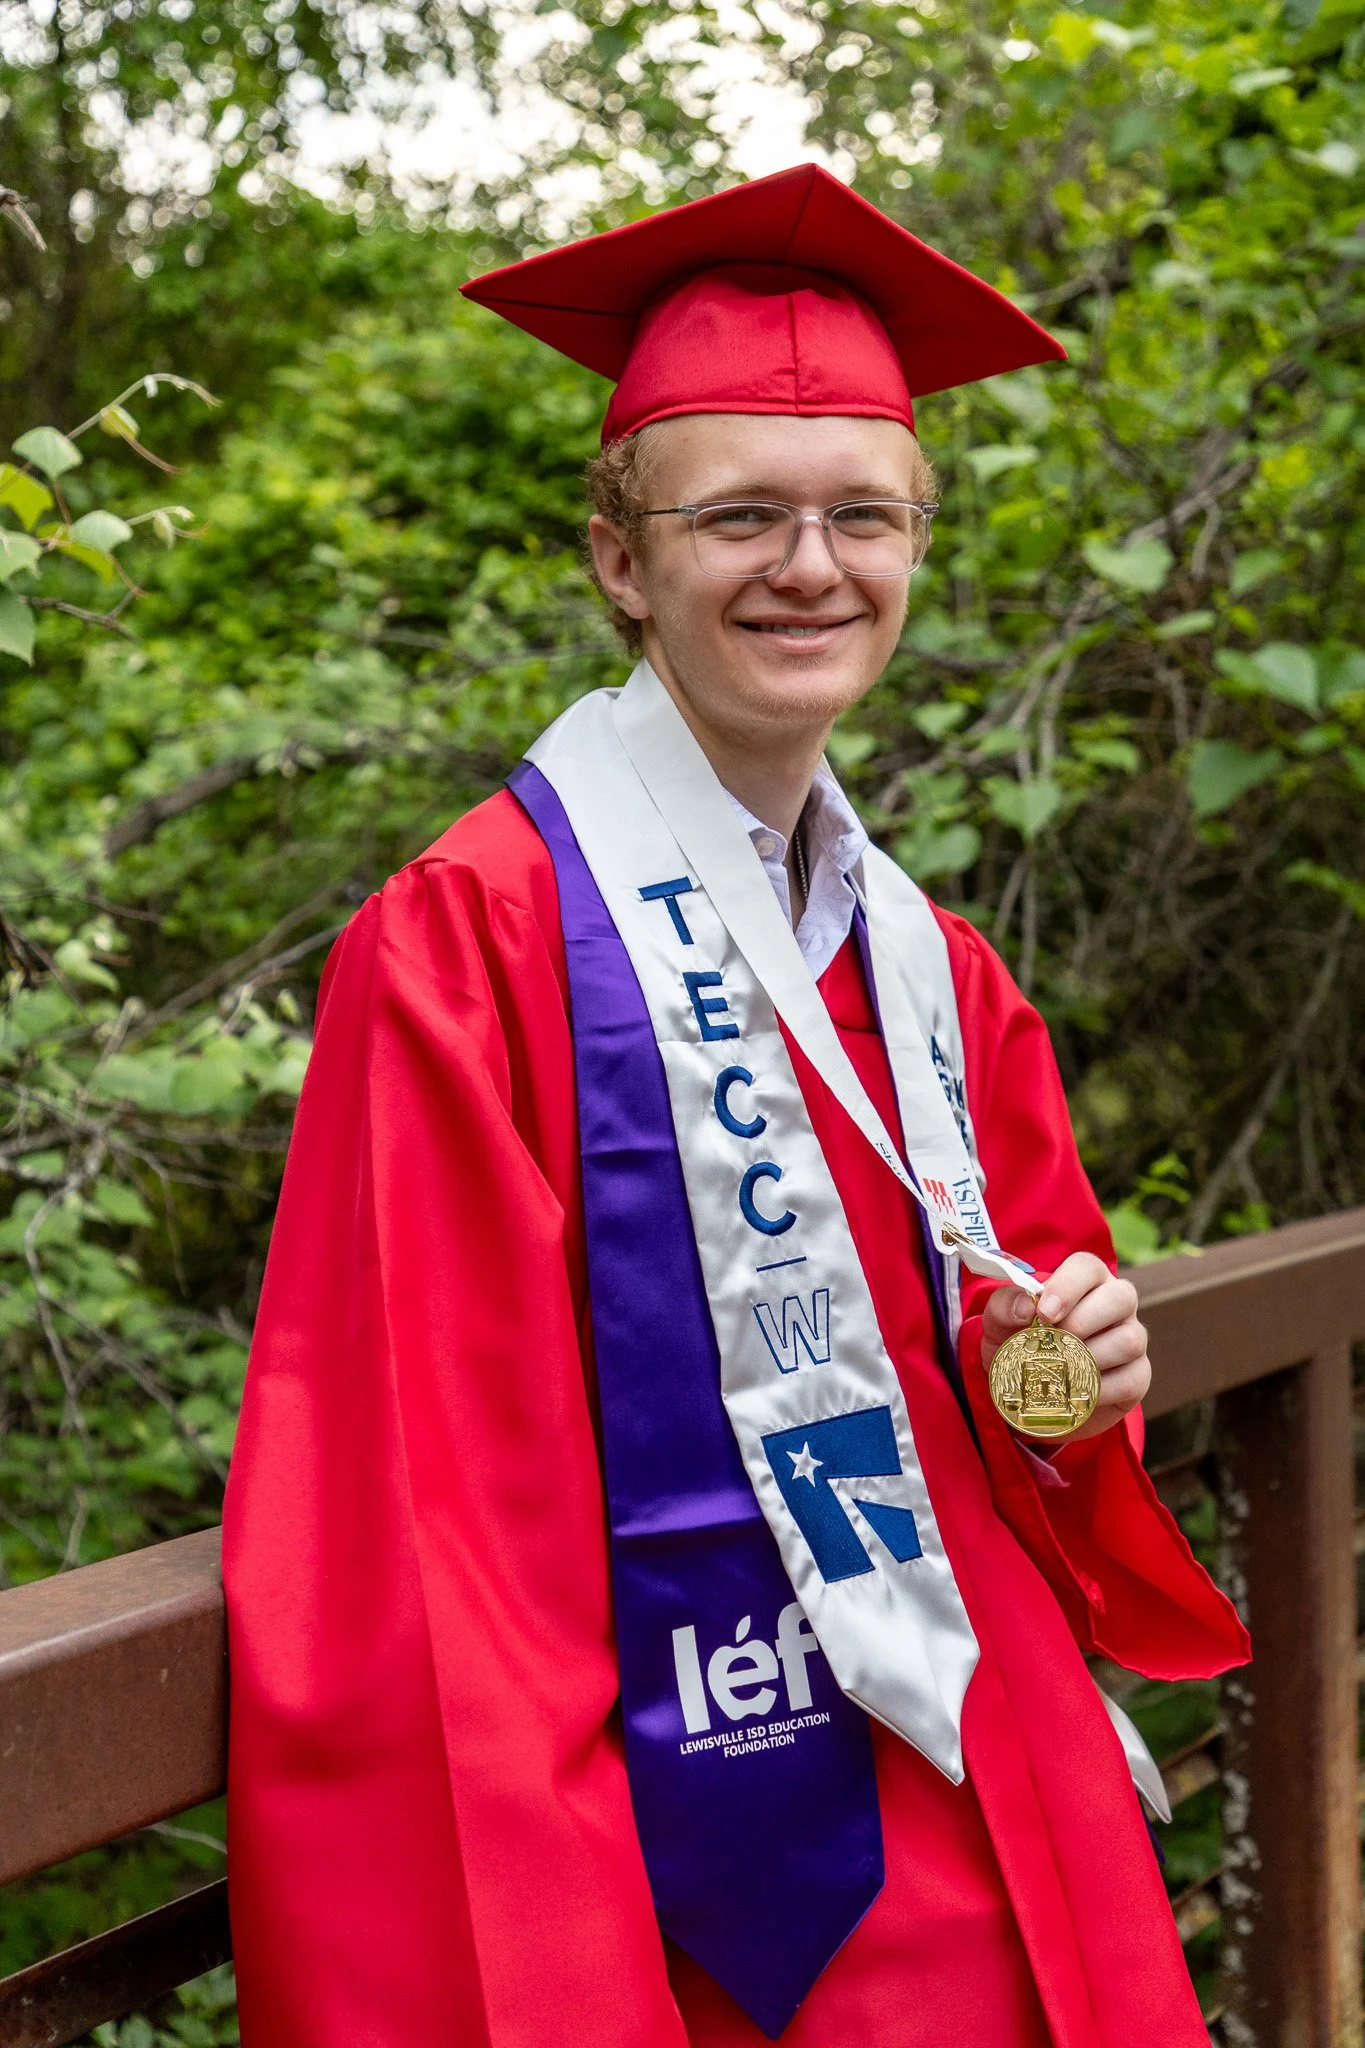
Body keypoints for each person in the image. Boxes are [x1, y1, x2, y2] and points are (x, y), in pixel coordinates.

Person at [222, 163, 1248, 2048]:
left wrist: (1075, 1361)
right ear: (623, 559)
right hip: (719, 1890)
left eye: (865, 513)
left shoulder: (932, 968)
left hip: (1007, 1802)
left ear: (917, 548)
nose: (812, 564)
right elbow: (422, 1548)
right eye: (743, 516)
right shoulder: (468, 946)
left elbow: (1024, 1371)